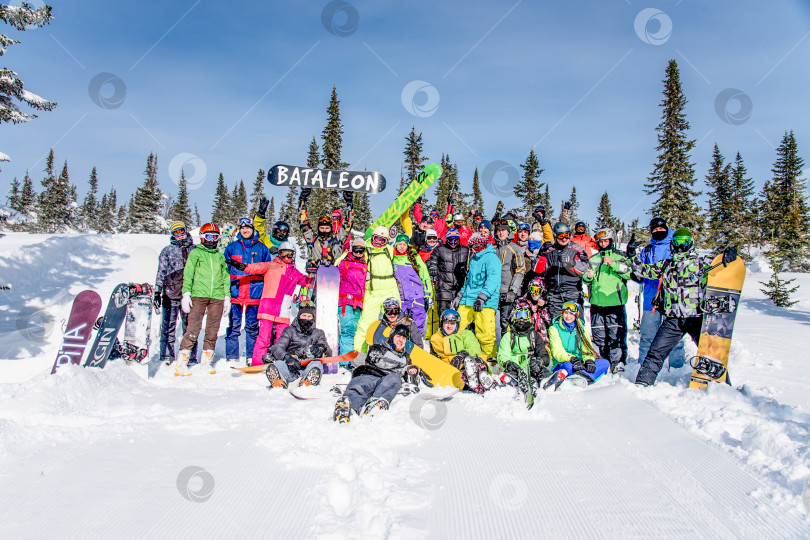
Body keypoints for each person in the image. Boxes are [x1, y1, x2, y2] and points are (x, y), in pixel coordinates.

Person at [632, 228, 738, 387]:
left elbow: (722, 262)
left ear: (691, 243)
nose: (681, 245)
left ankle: (724, 387)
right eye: (677, 241)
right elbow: (644, 270)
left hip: (697, 318)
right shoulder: (666, 265)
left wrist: (729, 254)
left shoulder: (702, 262)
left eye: (685, 241)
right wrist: (632, 255)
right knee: (655, 353)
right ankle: (642, 384)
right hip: (673, 320)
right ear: (672, 244)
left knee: (711, 354)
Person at [226, 241, 309, 366]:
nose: (286, 257)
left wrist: (321, 274)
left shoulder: (295, 273)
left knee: (282, 340)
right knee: (263, 338)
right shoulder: (270, 265)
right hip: (268, 307)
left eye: (289, 254)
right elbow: (253, 268)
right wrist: (239, 266)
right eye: (283, 254)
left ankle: (279, 363)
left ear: (294, 256)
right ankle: (258, 363)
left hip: (283, 309)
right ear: (279, 255)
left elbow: (308, 282)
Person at [333, 324, 421, 422]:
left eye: (404, 338)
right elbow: (376, 360)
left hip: (388, 380)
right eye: (398, 336)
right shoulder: (379, 348)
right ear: (392, 337)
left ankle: (376, 404)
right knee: (359, 386)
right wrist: (403, 368)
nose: (401, 340)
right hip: (370, 374)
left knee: (394, 379)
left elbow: (408, 377)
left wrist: (414, 371)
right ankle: (349, 407)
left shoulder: (406, 358)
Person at [632, 217, 686, 368]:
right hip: (651, 299)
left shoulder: (675, 245)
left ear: (667, 228)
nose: (658, 231)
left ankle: (677, 368)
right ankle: (644, 366)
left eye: (661, 229)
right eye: (655, 230)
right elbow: (640, 274)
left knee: (675, 337)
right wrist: (635, 275)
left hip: (672, 298)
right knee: (648, 336)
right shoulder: (647, 250)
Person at [176, 223, 229, 376]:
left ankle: (206, 362)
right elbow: (188, 274)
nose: (212, 240)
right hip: (198, 295)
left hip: (217, 297)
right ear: (202, 237)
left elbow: (225, 277)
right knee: (193, 328)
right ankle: (182, 363)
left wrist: (227, 297)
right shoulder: (195, 253)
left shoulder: (219, 256)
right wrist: (186, 294)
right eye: (209, 236)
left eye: (215, 237)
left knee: (212, 330)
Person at [583, 228, 632, 373]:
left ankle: (618, 362)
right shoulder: (593, 259)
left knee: (615, 336)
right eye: (601, 241)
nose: (603, 244)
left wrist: (613, 264)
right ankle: (604, 362)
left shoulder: (619, 257)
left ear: (611, 241)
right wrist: (588, 277)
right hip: (597, 304)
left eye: (606, 241)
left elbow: (630, 273)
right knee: (599, 337)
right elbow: (587, 280)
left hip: (614, 303)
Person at [223, 217, 271, 363]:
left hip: (254, 292)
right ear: (239, 230)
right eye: (242, 228)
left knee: (252, 326)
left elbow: (267, 269)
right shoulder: (231, 247)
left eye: (248, 228)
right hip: (236, 292)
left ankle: (251, 355)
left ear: (252, 229)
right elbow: (225, 271)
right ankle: (232, 356)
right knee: (234, 325)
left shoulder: (262, 248)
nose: (245, 230)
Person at [154, 221, 198, 366]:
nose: (179, 235)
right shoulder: (168, 250)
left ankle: (190, 356)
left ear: (186, 231)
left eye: (181, 231)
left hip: (190, 294)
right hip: (170, 293)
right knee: (168, 326)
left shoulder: (195, 249)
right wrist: (157, 291)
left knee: (190, 326)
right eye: (175, 233)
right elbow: (161, 272)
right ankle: (167, 355)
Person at [353, 226, 402, 350]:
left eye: (382, 240)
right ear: (372, 238)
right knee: (366, 324)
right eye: (377, 239)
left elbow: (404, 255)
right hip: (372, 292)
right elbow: (350, 258)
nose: (379, 243)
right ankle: (359, 353)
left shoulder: (389, 250)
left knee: (396, 322)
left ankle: (397, 351)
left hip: (390, 290)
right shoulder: (365, 250)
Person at [455, 232, 501, 363]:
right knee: (457, 325)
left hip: (485, 302)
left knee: (485, 332)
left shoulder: (492, 259)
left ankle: (490, 358)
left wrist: (482, 297)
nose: (472, 249)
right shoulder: (474, 259)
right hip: (468, 299)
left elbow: (493, 281)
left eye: (473, 246)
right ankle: (456, 352)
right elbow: (469, 281)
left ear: (480, 245)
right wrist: (460, 296)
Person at [544, 302, 610, 390]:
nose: (568, 316)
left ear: (576, 315)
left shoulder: (581, 327)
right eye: (566, 313)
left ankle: (581, 376)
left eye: (571, 314)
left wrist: (589, 360)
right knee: (568, 366)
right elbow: (557, 351)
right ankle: (585, 376)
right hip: (564, 362)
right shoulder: (554, 328)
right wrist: (571, 359)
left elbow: (587, 348)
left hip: (581, 363)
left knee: (605, 363)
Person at [532, 222, 589, 319]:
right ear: (555, 236)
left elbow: (585, 268)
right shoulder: (550, 250)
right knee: (556, 324)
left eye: (567, 235)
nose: (564, 239)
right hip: (554, 293)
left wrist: (572, 263)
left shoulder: (576, 249)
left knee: (575, 324)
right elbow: (537, 269)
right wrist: (541, 253)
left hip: (572, 292)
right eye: (561, 236)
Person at [264, 307, 330, 389]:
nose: (306, 318)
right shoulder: (289, 331)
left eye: (309, 316)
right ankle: (279, 381)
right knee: (279, 364)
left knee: (316, 364)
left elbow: (328, 351)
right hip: (291, 365)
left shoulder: (319, 333)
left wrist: (321, 348)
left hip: (308, 366)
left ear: (313, 318)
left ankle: (308, 382)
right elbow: (277, 347)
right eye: (304, 315)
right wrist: (287, 357)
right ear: (299, 317)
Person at [429, 308, 492, 393]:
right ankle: (471, 380)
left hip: (468, 362)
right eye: (446, 323)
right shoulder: (435, 339)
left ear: (457, 324)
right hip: (452, 370)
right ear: (441, 324)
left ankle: (480, 377)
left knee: (474, 360)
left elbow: (474, 348)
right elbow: (434, 358)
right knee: (461, 373)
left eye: (452, 323)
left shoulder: (466, 334)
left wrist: (462, 355)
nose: (449, 326)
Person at [497, 308, 552, 394]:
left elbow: (544, 355)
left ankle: (545, 383)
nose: (521, 318)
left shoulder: (535, 336)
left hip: (531, 367)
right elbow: (503, 354)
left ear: (529, 318)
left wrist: (539, 361)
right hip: (515, 367)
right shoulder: (508, 336)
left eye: (524, 316)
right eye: (519, 315)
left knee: (540, 370)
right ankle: (512, 383)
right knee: (508, 374)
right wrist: (508, 363)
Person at [299, 188, 353, 268]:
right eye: (322, 228)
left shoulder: (337, 239)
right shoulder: (312, 239)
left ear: (331, 228)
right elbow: (302, 221)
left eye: (327, 228)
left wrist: (349, 202)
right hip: (315, 275)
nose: (324, 230)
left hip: (333, 275)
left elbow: (349, 222)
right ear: (318, 228)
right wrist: (302, 199)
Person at [392, 233, 433, 336]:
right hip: (401, 297)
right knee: (400, 324)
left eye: (404, 244)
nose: (402, 246)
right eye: (400, 244)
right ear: (396, 244)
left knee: (418, 325)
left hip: (416, 296)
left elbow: (425, 276)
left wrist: (428, 294)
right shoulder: (392, 258)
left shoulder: (413, 257)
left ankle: (417, 346)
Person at [334, 238, 368, 355]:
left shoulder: (365, 265)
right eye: (356, 250)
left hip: (357, 303)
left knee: (354, 331)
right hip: (344, 301)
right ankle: (345, 360)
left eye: (361, 251)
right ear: (352, 249)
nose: (358, 253)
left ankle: (346, 354)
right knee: (347, 330)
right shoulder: (344, 262)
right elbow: (336, 278)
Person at [493, 219, 526, 337]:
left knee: (505, 322)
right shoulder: (492, 249)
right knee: (492, 323)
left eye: (504, 231)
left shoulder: (515, 248)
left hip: (508, 292)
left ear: (508, 232)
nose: (501, 233)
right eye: (499, 230)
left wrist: (513, 290)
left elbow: (520, 270)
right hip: (493, 292)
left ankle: (506, 348)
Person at [509, 277, 552, 346]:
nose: (534, 293)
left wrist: (544, 307)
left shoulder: (548, 303)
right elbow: (511, 319)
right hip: (525, 341)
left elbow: (552, 323)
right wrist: (527, 311)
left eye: (537, 290)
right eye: (532, 289)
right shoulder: (520, 302)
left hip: (543, 342)